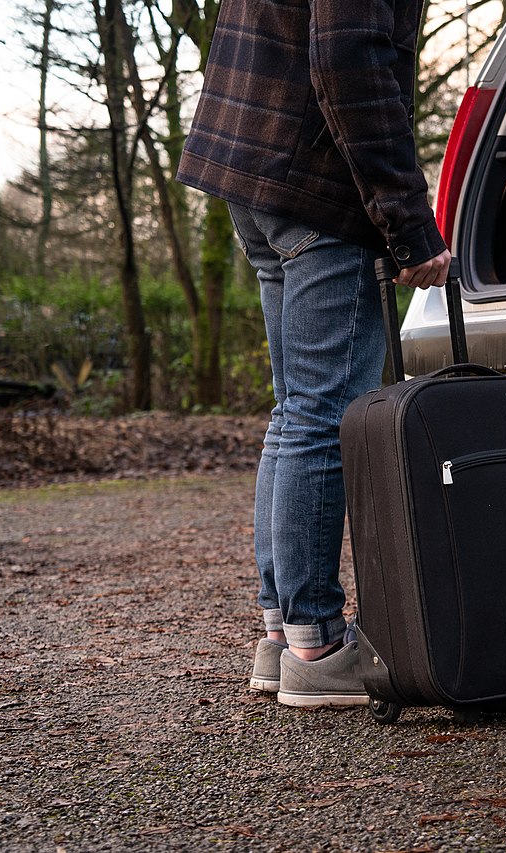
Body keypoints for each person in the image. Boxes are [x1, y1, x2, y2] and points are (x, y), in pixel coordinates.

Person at [176, 0, 450, 707]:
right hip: (320, 188)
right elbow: (349, 59)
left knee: (296, 411)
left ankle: (283, 635)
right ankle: (317, 646)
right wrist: (407, 222)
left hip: (254, 170)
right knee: (322, 415)